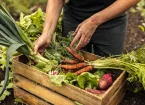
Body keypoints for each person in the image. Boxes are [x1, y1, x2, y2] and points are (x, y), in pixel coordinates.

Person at [34, 0, 140, 57]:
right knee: (71, 65)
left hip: (111, 20)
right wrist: (46, 33)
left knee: (110, 72)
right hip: (74, 18)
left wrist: (94, 21)